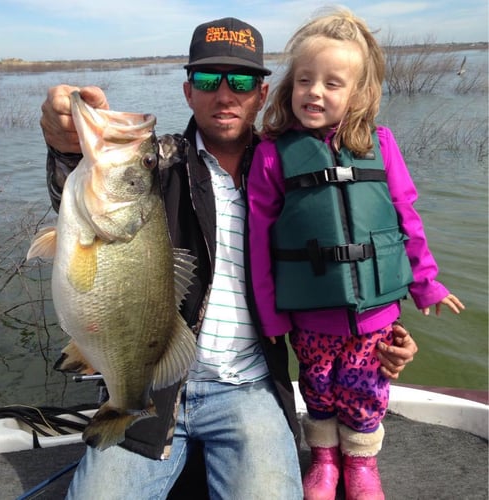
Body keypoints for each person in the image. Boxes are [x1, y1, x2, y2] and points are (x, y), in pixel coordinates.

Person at [40, 16, 419, 500]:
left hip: (250, 388)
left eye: (240, 81)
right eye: (207, 80)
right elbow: (83, 196)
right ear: (187, 92)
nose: (224, 94)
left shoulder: (293, 170)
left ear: (262, 95)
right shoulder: (157, 165)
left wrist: (385, 330)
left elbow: (355, 254)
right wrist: (63, 144)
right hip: (153, 386)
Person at [247, 8, 465, 500]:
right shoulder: (270, 154)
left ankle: (362, 464)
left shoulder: (382, 145)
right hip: (310, 315)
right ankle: (324, 460)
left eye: (331, 83)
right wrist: (272, 316)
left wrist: (426, 280)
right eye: (304, 80)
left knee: (367, 392)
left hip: (376, 314)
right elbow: (261, 241)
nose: (315, 92)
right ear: (289, 87)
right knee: (319, 390)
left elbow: (407, 217)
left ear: (358, 93)